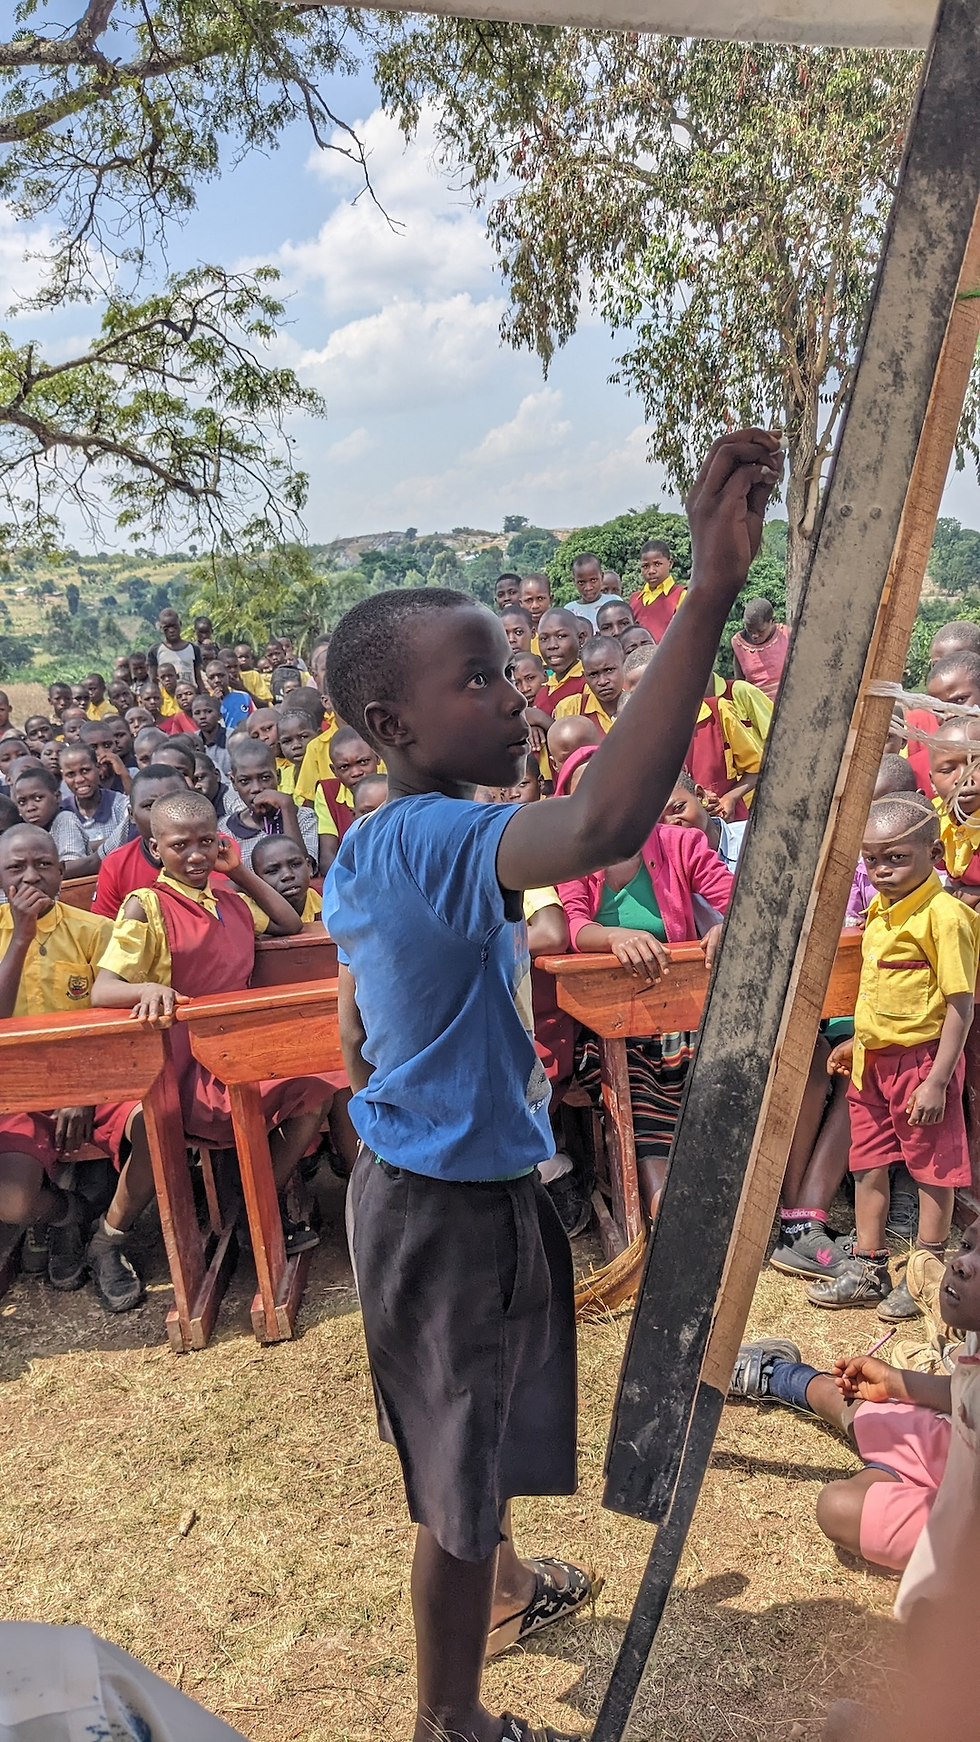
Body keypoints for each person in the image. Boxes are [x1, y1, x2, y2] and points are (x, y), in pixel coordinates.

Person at [322, 425, 782, 1742]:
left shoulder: (378, 842)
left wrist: (389, 1085)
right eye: (483, 678)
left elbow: (353, 1010)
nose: (518, 693)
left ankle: (509, 1589)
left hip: (451, 1177)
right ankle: (448, 1714)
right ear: (396, 724)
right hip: (443, 1207)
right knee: (460, 1480)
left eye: (511, 667)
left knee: (484, 1424)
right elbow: (600, 826)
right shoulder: (437, 839)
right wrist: (706, 594)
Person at [92, 790, 332, 1260]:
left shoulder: (228, 896)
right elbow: (104, 987)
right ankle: (108, 1240)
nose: (197, 855)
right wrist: (145, 990)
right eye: (181, 845)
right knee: (156, 1142)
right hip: (184, 1063)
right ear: (156, 847)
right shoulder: (147, 905)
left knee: (321, 1086)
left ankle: (254, 1206)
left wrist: (238, 870)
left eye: (207, 841)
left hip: (238, 1049)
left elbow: (286, 923)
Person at [730, 1212, 980, 1574]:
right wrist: (896, 1383)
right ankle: (779, 1375)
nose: (960, 1264)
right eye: (968, 1246)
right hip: (952, 1451)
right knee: (859, 1406)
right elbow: (967, 1394)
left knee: (839, 1507)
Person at [808, 798, 980, 1313]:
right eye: (873, 859)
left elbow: (960, 1006)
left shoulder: (946, 917)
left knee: (931, 1169)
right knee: (868, 1164)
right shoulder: (878, 912)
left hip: (925, 1063)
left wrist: (936, 1081)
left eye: (896, 859)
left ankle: (925, 1272)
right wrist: (858, 1042)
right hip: (871, 1064)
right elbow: (881, 990)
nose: (882, 871)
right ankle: (868, 1266)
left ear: (933, 851)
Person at [556, 743, 734, 1218]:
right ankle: (671, 1221)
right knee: (634, 1090)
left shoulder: (681, 843)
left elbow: (737, 897)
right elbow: (575, 926)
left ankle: (723, 1212)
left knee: (714, 1081)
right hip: (614, 1026)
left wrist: (723, 924)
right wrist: (613, 936)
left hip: (687, 1016)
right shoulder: (571, 858)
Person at [0, 825, 137, 1296]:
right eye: (15, 869)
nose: (30, 877)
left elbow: (116, 1023)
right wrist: (21, 937)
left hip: (94, 1079)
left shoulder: (96, 931)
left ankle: (109, 1235)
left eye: (43, 865)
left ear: (62, 870)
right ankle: (66, 1214)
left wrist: (83, 1091)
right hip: (17, 1091)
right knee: (13, 1200)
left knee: (158, 1128)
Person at [92, 766, 188, 917]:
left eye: (174, 802)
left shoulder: (216, 848)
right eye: (150, 806)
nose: (163, 814)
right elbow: (104, 929)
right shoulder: (116, 865)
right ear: (132, 815)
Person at [846, 756, 922, 927]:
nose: (879, 819)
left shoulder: (931, 857)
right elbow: (853, 920)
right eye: (867, 810)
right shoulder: (859, 866)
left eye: (888, 807)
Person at [224, 735, 319, 871]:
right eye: (245, 781)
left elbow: (305, 870)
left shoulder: (303, 817)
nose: (256, 788)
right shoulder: (226, 830)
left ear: (278, 777)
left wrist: (287, 807)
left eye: (265, 778)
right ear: (233, 782)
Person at [686, 674, 763, 821]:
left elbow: (756, 768)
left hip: (729, 825)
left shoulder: (716, 712)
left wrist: (730, 798)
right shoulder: (647, 737)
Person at [928, 716, 980, 907]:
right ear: (932, 782)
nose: (964, 778)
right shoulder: (935, 819)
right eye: (948, 769)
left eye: (976, 765)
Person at [11, 764, 93, 879]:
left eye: (38, 798)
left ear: (57, 797)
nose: (30, 808)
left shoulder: (65, 820)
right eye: (22, 802)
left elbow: (72, 865)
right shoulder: (27, 831)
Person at [659, 771, 746, 874]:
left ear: (700, 796)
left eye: (678, 808)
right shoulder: (667, 878)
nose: (671, 823)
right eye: (660, 822)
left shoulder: (754, 837)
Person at [59, 742, 128, 854]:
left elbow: (131, 840)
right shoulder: (62, 812)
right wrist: (115, 842)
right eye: (71, 774)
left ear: (98, 768)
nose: (79, 779)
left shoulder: (119, 804)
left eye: (85, 770)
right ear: (63, 776)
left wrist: (82, 847)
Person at [553, 634, 624, 734]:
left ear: (624, 666)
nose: (602, 681)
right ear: (584, 676)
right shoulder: (571, 709)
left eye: (609, 670)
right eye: (593, 674)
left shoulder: (638, 705)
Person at [250, 832, 322, 922]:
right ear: (256, 880)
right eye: (272, 871)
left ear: (309, 867)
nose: (287, 875)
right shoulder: (252, 917)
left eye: (295, 864)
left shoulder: (330, 903)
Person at [731, 596, 790, 700]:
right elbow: (739, 684)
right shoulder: (739, 644)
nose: (755, 635)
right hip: (758, 710)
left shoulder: (787, 635)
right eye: (750, 630)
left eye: (760, 631)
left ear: (772, 621)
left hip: (788, 702)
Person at [532, 609, 588, 716]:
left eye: (561, 636)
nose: (552, 645)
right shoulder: (543, 689)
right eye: (544, 638)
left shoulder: (588, 683)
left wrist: (539, 718)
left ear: (580, 638)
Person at [629, 539, 686, 641]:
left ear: (670, 563)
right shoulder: (635, 599)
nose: (651, 571)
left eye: (657, 564)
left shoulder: (681, 596)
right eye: (645, 566)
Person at [153, 607, 202, 688]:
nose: (171, 630)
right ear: (161, 628)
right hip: (166, 698)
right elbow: (153, 680)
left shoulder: (193, 648)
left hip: (190, 695)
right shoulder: (155, 650)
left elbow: (198, 678)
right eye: (167, 628)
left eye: (174, 626)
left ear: (180, 624)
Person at [569, 551, 620, 627]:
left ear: (602, 577)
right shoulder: (570, 610)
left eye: (593, 580)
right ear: (574, 582)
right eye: (581, 582)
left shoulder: (614, 602)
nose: (588, 587)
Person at [274, 708, 317, 796]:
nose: (296, 745)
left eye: (303, 737)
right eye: (287, 741)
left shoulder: (327, 771)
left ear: (319, 734)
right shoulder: (281, 777)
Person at [205, 657, 255, 730]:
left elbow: (254, 718)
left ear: (228, 676)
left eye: (221, 676)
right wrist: (215, 704)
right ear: (208, 682)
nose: (217, 680)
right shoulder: (207, 703)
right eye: (212, 677)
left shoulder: (243, 696)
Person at [189, 691, 231, 778]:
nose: (202, 717)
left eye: (208, 711)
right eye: (197, 713)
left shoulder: (232, 737)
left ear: (219, 715)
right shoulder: (192, 741)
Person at [191, 750, 231, 820]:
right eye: (191, 781)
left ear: (217, 775)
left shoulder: (233, 802)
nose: (195, 786)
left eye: (200, 778)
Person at [519, 572, 552, 648]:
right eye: (529, 600)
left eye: (540, 599)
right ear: (520, 603)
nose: (535, 606)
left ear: (550, 599)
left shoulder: (560, 628)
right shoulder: (517, 636)